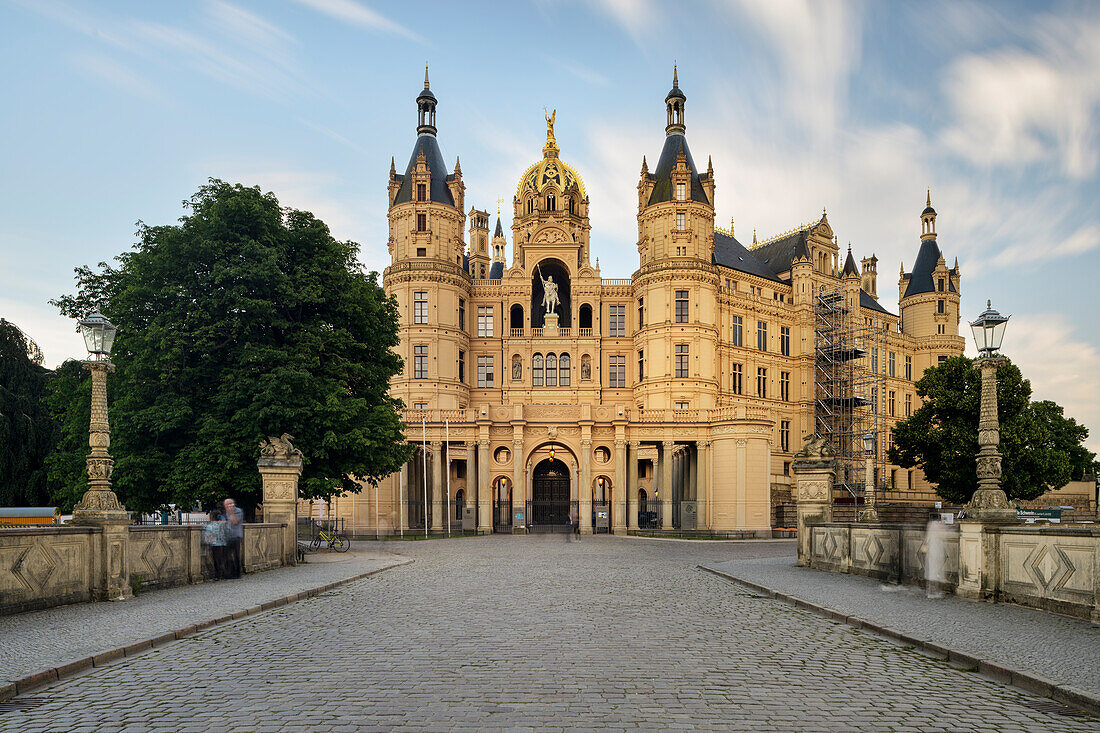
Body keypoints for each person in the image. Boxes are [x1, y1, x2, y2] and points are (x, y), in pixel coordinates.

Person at [201, 510, 228, 579]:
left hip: (215, 545)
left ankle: (218, 575)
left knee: (216, 560)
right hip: (224, 544)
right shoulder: (224, 524)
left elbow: (206, 538)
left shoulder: (210, 526)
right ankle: (224, 574)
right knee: (223, 559)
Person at [223, 497, 244, 579]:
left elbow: (235, 522)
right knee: (227, 555)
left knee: (236, 555)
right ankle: (229, 573)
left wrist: (231, 513)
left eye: (229, 504)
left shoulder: (238, 511)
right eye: (226, 505)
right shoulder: (226, 512)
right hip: (228, 535)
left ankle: (237, 573)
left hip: (236, 535)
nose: (227, 506)